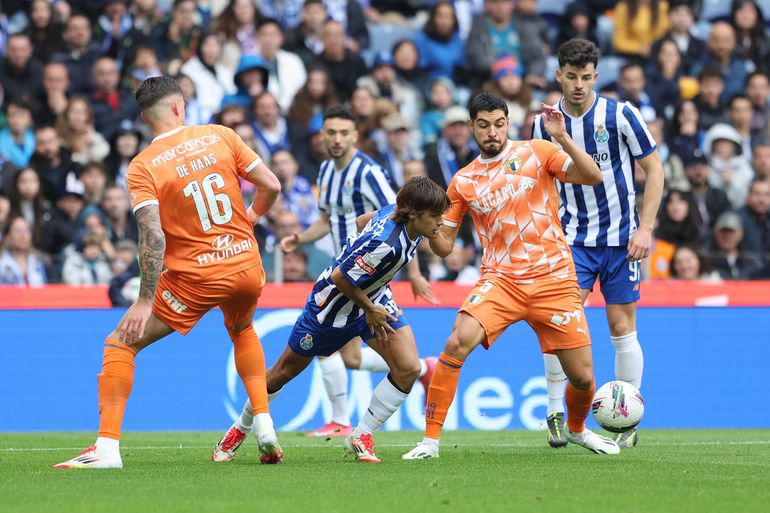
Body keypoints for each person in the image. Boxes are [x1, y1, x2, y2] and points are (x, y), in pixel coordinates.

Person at [53, 76, 282, 469]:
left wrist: (144, 301)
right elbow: (272, 185)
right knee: (243, 330)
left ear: (145, 118)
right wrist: (251, 217)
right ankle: (263, 424)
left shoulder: (142, 166)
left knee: (120, 344)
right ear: (180, 106)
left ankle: (106, 448)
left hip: (195, 277)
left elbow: (152, 235)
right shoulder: (221, 135)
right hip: (246, 264)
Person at [402, 91, 615, 460]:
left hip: (554, 279)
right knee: (456, 343)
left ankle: (578, 430)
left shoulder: (538, 151)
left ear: (508, 123)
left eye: (499, 124)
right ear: (471, 128)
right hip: (501, 281)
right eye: (483, 125)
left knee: (582, 378)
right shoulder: (463, 181)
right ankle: (430, 442)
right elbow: (445, 247)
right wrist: (422, 221)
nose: (492, 133)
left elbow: (592, 176)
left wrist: (562, 136)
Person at [213, 177, 450, 464]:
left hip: (372, 299)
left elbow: (364, 220)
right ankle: (238, 430)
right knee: (283, 372)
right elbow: (340, 277)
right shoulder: (385, 245)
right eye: (436, 216)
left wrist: (372, 288)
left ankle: (361, 434)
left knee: (409, 368)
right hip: (330, 309)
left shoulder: (396, 212)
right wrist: (369, 302)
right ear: (414, 213)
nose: (440, 222)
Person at [531, 39, 665, 450]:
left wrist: (645, 230)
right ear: (559, 75)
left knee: (622, 328)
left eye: (586, 77)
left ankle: (627, 419)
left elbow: (654, 170)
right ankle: (555, 412)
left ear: (596, 76)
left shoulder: (620, 114)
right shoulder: (543, 124)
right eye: (571, 76)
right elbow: (539, 183)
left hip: (623, 241)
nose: (578, 85)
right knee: (561, 323)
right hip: (572, 241)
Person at [277, 105, 438, 437]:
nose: (336, 139)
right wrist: (301, 238)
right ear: (323, 135)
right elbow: (327, 219)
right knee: (349, 359)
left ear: (355, 136)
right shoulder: (325, 170)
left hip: (368, 278)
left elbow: (401, 216)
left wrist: (415, 272)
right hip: (347, 274)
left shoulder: (369, 173)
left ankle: (341, 420)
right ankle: (422, 369)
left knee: (331, 348)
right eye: (330, 133)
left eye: (343, 133)